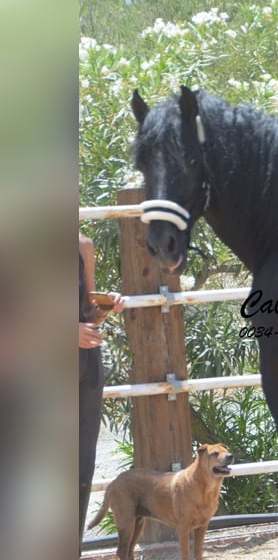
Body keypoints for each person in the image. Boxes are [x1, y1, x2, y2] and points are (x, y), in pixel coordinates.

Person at [78, 233, 125, 552]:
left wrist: (106, 306)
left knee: (80, 465)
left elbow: (86, 308)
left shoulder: (82, 246)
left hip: (84, 365)